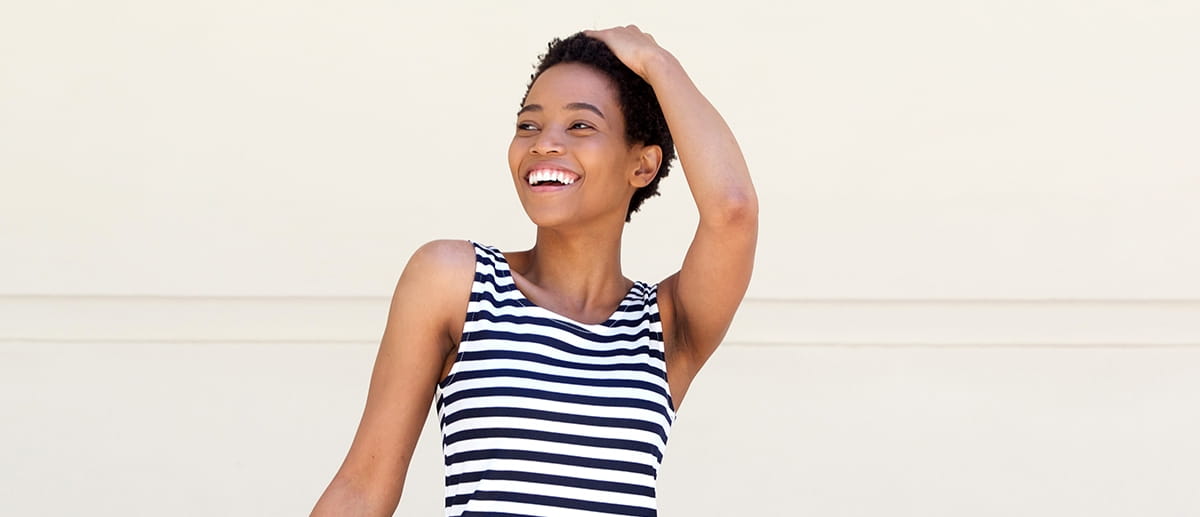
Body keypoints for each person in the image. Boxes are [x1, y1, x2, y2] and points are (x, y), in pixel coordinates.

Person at [311, 25, 757, 517]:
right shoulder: (456, 283)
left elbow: (732, 211)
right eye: (529, 125)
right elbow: (362, 488)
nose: (544, 144)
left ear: (643, 165)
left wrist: (658, 62)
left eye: (580, 126)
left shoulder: (666, 326)